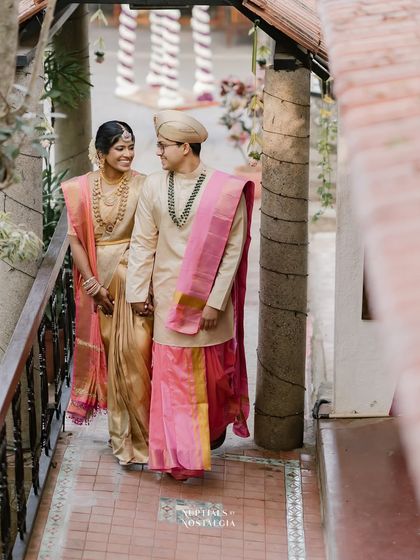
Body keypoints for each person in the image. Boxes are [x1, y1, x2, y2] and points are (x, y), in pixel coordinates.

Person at [126, 110, 254, 480]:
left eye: (164, 146)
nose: (158, 153)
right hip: (168, 301)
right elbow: (142, 242)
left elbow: (232, 252)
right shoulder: (152, 185)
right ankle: (179, 457)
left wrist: (214, 301)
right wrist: (137, 291)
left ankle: (207, 436)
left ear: (186, 147)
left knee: (212, 381)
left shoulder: (226, 191)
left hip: (210, 307)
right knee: (172, 380)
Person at [62, 121, 152, 466]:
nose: (127, 154)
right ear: (101, 154)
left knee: (136, 357)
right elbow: (75, 241)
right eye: (119, 148)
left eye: (130, 147)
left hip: (136, 281)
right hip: (99, 283)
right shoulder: (78, 190)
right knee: (113, 358)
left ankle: (145, 438)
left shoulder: (145, 185)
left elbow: (151, 235)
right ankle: (122, 440)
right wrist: (94, 286)